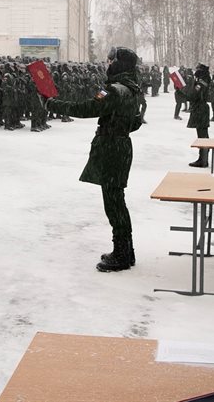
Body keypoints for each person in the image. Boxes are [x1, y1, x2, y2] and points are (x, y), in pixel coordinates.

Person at [44, 47, 143, 272]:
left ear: (118, 64)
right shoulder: (132, 88)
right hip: (122, 145)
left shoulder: (115, 90)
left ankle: (121, 253)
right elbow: (136, 122)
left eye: (110, 61)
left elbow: (87, 108)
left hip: (111, 148)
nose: (107, 64)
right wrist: (120, 126)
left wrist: (53, 104)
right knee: (117, 200)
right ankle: (126, 250)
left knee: (114, 203)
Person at [185, 64, 212, 167]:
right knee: (203, 134)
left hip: (200, 109)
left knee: (202, 135)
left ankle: (203, 160)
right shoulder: (203, 80)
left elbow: (193, 95)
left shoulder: (201, 82)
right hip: (201, 108)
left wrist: (183, 92)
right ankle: (203, 158)